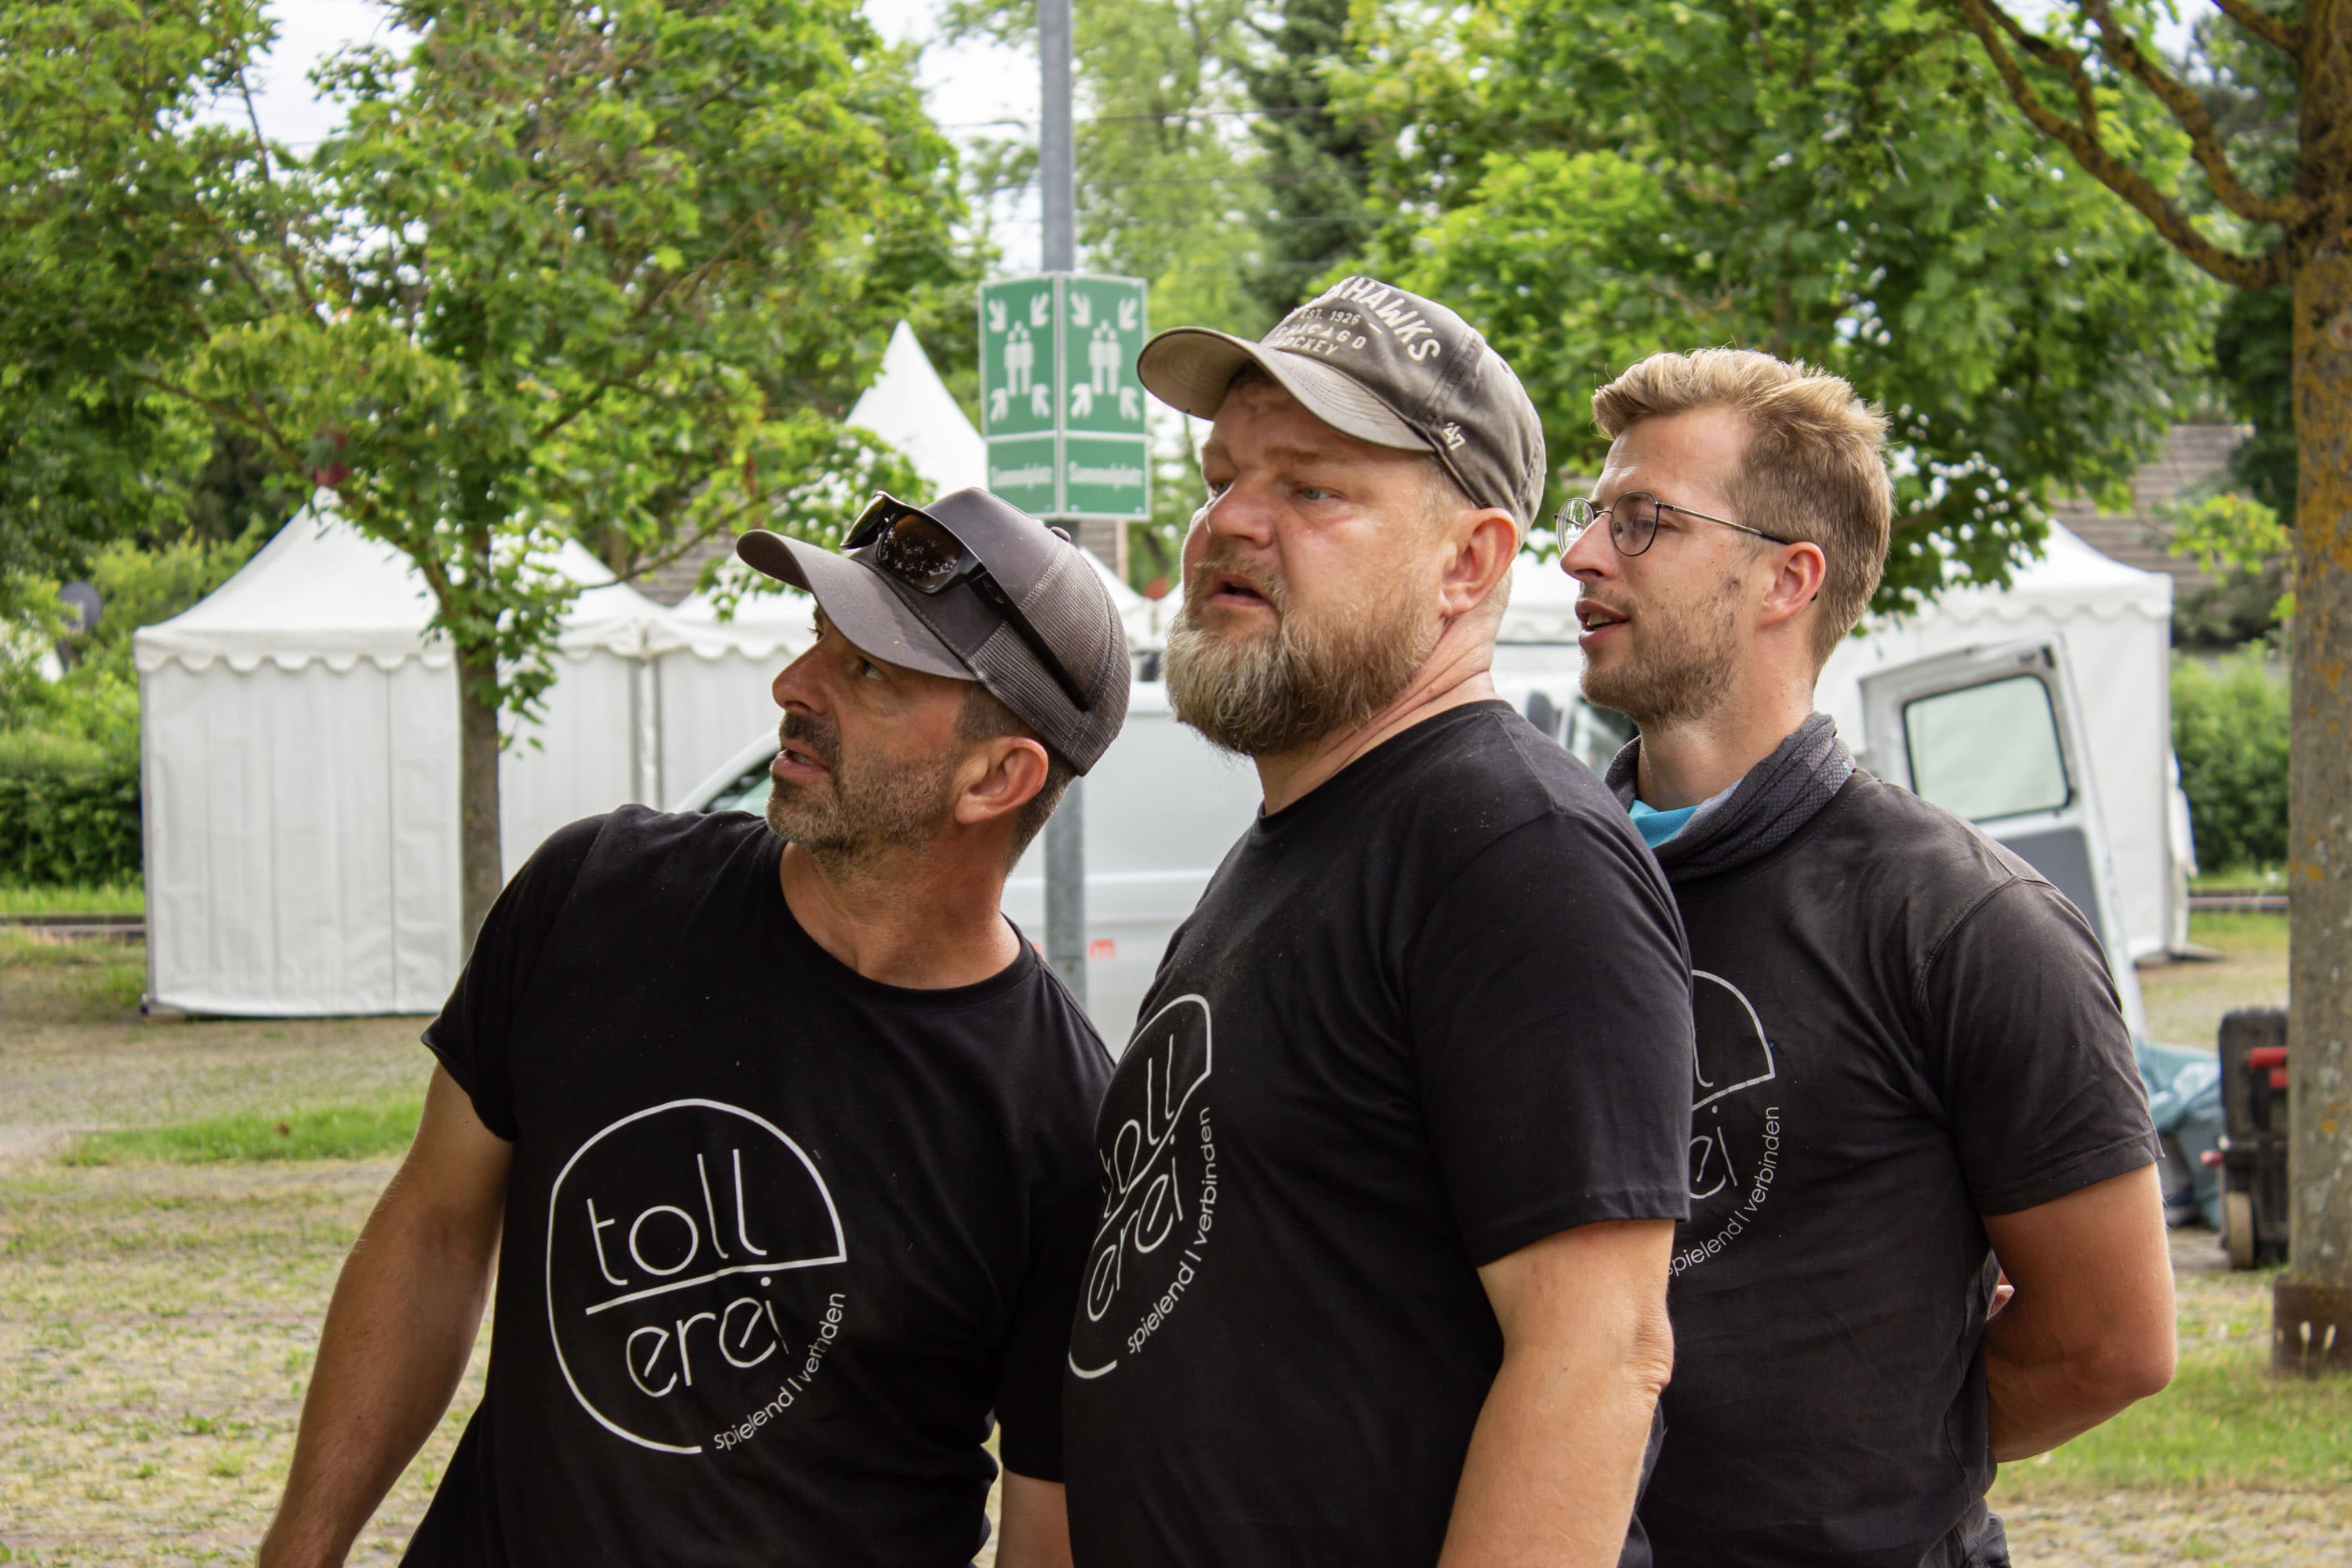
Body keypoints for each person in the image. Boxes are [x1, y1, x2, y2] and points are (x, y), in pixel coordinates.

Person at [257, 488, 1131, 1568]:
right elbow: (433, 1228)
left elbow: (1045, 1523)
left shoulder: (1067, 1128)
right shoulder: (597, 895)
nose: (793, 685)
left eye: (868, 671)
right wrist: (301, 1549)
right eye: (820, 636)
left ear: (998, 776)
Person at [1062, 277, 1697, 1567]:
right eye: (1222, 474)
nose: (1227, 522)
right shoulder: (1299, 848)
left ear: (1468, 563)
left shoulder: (1514, 852)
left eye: (1311, 489)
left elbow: (1599, 1357)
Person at [1559, 349, 2176, 1568]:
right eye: (1591, 515)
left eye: (1643, 522)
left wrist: (1875, 1467)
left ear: (1787, 578)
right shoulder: (1540, 888)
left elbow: (2112, 1339)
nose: (1581, 555)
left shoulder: (1964, 922)